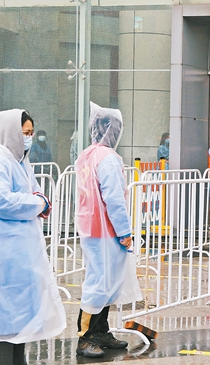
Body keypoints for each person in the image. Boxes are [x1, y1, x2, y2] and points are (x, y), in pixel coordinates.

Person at [75, 102, 142, 358]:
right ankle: (86, 337)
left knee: (104, 282)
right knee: (99, 282)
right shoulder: (109, 159)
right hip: (106, 230)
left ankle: (101, 330)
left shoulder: (87, 154)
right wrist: (124, 232)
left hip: (91, 227)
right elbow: (114, 199)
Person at [0, 110, 66, 364]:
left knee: (20, 319)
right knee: (7, 316)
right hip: (8, 250)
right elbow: (3, 200)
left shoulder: (21, 160)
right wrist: (38, 203)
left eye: (30, 133)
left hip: (22, 252)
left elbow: (35, 190)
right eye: (24, 133)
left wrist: (42, 201)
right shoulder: (3, 159)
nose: (28, 138)